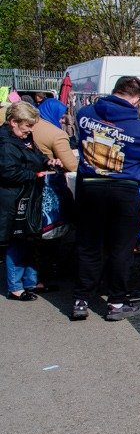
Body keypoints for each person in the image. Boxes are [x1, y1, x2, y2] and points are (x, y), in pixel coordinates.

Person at [72, 76, 140, 321]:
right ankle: (116, 303)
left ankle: (81, 300)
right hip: (123, 191)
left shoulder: (84, 114)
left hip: (89, 187)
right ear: (137, 99)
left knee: (89, 246)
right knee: (121, 248)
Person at [0, 102, 62, 300]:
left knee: (29, 239)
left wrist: (48, 161)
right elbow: (8, 172)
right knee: (17, 240)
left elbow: (36, 156)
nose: (31, 130)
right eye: (28, 125)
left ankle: (31, 282)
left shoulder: (24, 138)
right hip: (12, 199)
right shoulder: (5, 144)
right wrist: (35, 174)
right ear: (13, 122)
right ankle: (15, 287)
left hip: (27, 196)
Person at [32, 98, 77, 172]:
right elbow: (72, 166)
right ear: (52, 113)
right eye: (61, 117)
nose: (62, 121)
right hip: (48, 173)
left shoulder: (31, 125)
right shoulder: (57, 134)